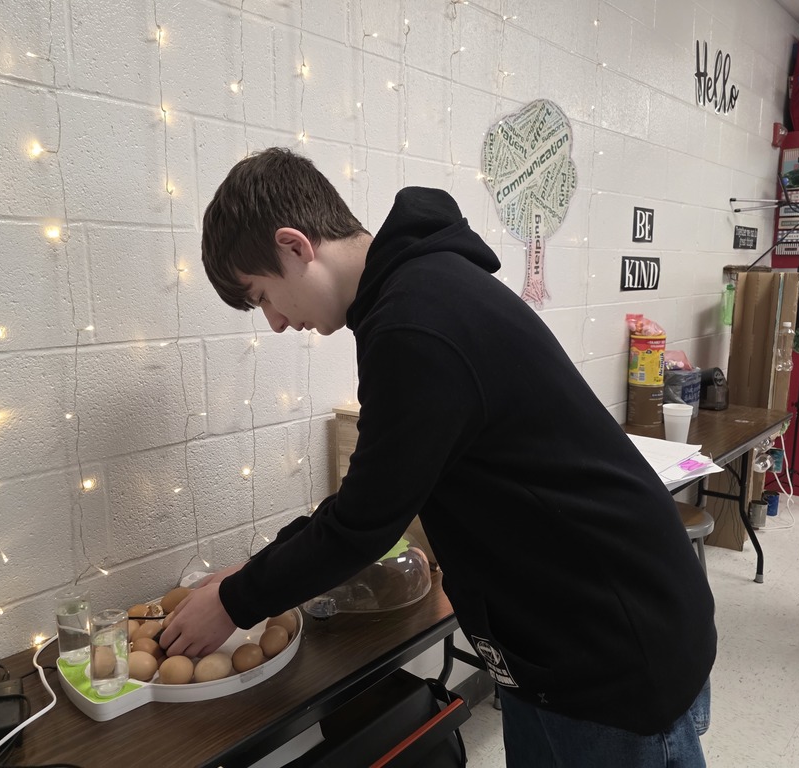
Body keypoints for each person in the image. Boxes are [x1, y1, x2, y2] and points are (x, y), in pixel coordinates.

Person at [160, 147, 716, 765]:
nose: (275, 323)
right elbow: (370, 499)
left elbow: (362, 525)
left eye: (262, 296)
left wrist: (237, 600)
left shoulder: (413, 322)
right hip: (580, 631)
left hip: (607, 648)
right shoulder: (419, 291)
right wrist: (243, 580)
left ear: (295, 246)